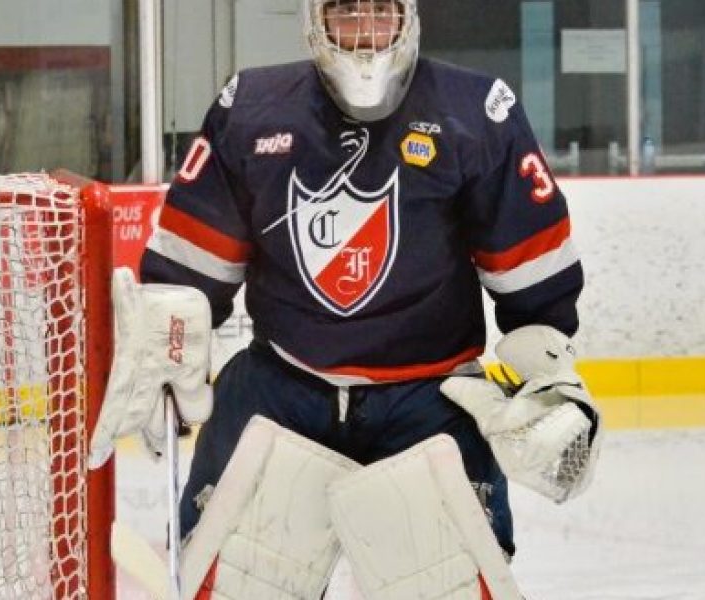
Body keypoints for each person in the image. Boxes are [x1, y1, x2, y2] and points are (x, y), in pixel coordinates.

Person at [90, 1, 601, 597]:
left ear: (408, 16)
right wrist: (167, 334)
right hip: (282, 387)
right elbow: (193, 266)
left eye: (380, 12)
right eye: (347, 14)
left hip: (429, 398)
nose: (364, 35)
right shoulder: (251, 108)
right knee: (228, 583)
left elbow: (532, 272)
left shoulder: (476, 112)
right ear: (315, 20)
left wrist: (546, 375)